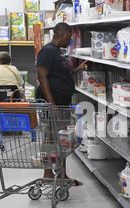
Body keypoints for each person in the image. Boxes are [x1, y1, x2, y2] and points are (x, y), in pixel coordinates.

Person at [36, 22, 87, 184]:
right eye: (70, 37)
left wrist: (77, 70)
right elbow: (42, 77)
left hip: (62, 100)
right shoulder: (47, 51)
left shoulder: (58, 52)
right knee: (51, 136)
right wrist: (52, 104)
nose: (71, 40)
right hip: (54, 100)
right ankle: (48, 173)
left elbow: (61, 73)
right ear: (63, 35)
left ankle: (62, 174)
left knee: (62, 138)